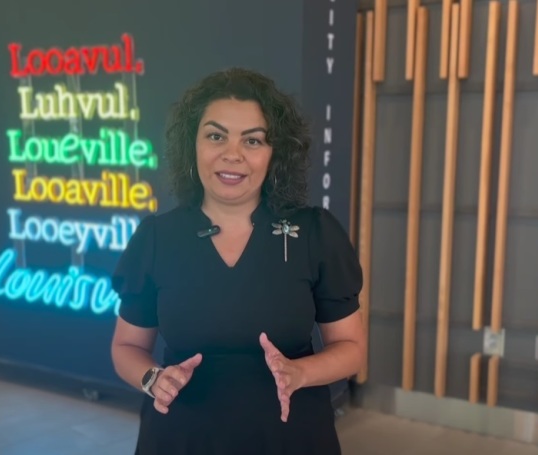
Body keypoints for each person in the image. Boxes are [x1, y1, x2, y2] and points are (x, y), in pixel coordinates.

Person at [110, 67, 365, 454]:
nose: (232, 154)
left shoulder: (314, 232)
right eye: (216, 136)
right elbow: (126, 347)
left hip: (290, 439)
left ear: (275, 153)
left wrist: (300, 372)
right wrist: (153, 379)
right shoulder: (157, 237)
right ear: (192, 145)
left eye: (253, 140)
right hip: (181, 439)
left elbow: (351, 347)